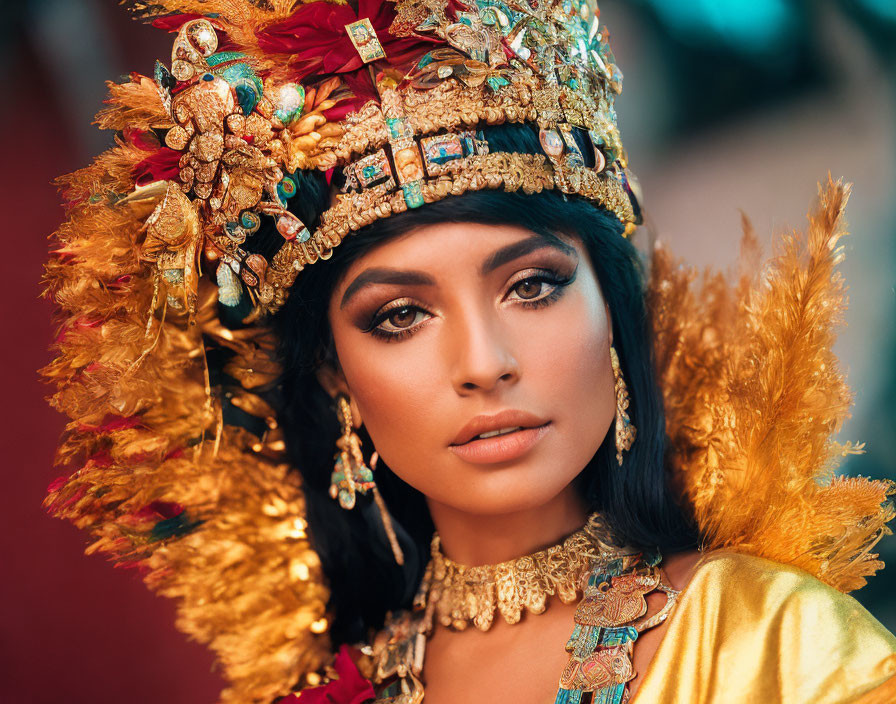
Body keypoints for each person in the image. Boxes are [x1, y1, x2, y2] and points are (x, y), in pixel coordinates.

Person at [42, 1, 896, 703]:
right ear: (336, 376)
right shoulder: (337, 691)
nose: (484, 362)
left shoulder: (768, 640)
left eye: (532, 286)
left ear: (614, 310)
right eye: (400, 316)